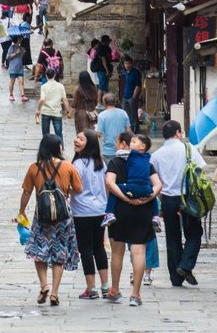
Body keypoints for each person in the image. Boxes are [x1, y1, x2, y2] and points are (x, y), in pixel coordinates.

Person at [18, 134, 82, 307]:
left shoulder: (34, 168)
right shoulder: (67, 166)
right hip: (63, 218)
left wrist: (21, 211)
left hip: (42, 217)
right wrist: (65, 188)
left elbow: (26, 192)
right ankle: (54, 292)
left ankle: (44, 285)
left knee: (39, 251)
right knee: (59, 255)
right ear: (57, 148)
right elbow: (78, 188)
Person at [104, 131, 161, 306]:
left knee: (117, 252)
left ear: (124, 144)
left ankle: (114, 289)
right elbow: (158, 185)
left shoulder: (115, 162)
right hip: (143, 210)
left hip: (119, 211)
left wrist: (125, 198)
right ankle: (136, 294)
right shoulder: (146, 163)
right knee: (139, 252)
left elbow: (109, 182)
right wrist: (149, 198)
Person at [153, 119, 208, 287]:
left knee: (172, 237)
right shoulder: (188, 149)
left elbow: (155, 179)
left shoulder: (156, 155)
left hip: (168, 199)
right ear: (178, 133)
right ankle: (185, 265)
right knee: (194, 234)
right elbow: (201, 170)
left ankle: (176, 278)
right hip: (188, 197)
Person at [70, 130, 110, 299]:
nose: (76, 140)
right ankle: (105, 285)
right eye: (77, 137)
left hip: (82, 212)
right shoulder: (101, 162)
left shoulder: (78, 164)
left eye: (81, 139)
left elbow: (75, 187)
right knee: (99, 247)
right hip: (100, 209)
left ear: (90, 143)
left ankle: (91, 288)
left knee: (85, 249)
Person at [36, 68, 67, 138]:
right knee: (59, 134)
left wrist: (38, 109)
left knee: (46, 134)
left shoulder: (44, 87)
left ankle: (47, 148)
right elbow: (64, 99)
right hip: (56, 112)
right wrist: (68, 110)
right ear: (54, 75)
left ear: (46, 76)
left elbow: (42, 99)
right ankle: (60, 148)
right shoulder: (60, 86)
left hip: (46, 112)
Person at [119, 55, 143, 133]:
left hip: (132, 97)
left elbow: (138, 86)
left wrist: (134, 97)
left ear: (132, 64)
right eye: (126, 63)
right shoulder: (126, 72)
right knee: (126, 115)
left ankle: (136, 131)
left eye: (128, 63)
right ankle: (129, 130)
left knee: (133, 115)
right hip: (125, 96)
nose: (127, 65)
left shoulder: (136, 72)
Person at [69, 71, 98, 135]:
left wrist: (69, 114)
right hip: (92, 112)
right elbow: (96, 101)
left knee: (81, 133)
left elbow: (74, 103)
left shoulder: (78, 89)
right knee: (92, 133)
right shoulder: (94, 87)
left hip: (81, 113)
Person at [7, 37, 30, 102]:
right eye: (20, 39)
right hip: (13, 68)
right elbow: (8, 57)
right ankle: (11, 95)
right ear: (17, 39)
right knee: (12, 82)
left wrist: (23, 51)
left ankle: (23, 96)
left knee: (21, 82)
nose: (21, 40)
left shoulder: (21, 48)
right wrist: (16, 53)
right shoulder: (11, 47)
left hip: (20, 68)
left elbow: (23, 54)